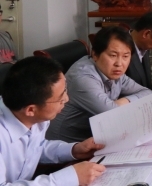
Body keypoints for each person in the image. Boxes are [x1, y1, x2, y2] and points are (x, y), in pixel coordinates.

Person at [0, 56, 105, 185]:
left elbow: (37, 147)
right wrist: (70, 177)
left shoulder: (33, 114)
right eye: (60, 97)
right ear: (31, 110)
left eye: (65, 90)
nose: (66, 99)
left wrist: (74, 150)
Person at [47, 26, 152, 142]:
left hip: (96, 137)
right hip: (69, 145)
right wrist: (116, 107)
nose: (119, 63)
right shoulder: (83, 79)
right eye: (113, 55)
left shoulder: (115, 73)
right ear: (95, 55)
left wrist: (123, 101)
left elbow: (147, 92)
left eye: (125, 56)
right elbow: (115, 115)